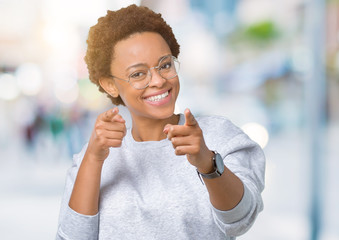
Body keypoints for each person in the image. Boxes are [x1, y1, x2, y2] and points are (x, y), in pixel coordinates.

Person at [56, 4, 265, 240]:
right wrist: (93, 159)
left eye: (165, 65)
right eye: (138, 74)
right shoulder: (94, 156)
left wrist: (207, 163)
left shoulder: (220, 136)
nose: (158, 80)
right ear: (110, 84)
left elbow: (241, 220)